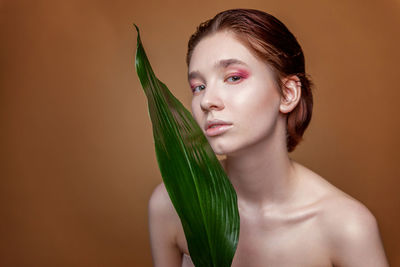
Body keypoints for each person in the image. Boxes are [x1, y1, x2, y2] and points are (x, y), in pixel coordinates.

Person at [148, 8, 389, 267]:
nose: (207, 101)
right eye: (199, 87)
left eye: (233, 77)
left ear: (287, 94)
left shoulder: (347, 227)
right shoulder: (171, 206)